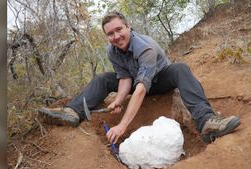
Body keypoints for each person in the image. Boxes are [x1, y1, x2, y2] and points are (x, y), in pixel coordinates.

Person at [39, 11, 240, 144]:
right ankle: (73, 112)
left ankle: (206, 120)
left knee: (180, 69)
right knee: (103, 78)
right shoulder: (112, 50)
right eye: (110, 33)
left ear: (129, 27)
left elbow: (142, 88)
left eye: (119, 30)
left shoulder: (146, 48)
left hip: (160, 81)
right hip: (136, 81)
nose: (116, 36)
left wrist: (123, 125)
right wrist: (118, 100)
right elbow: (125, 78)